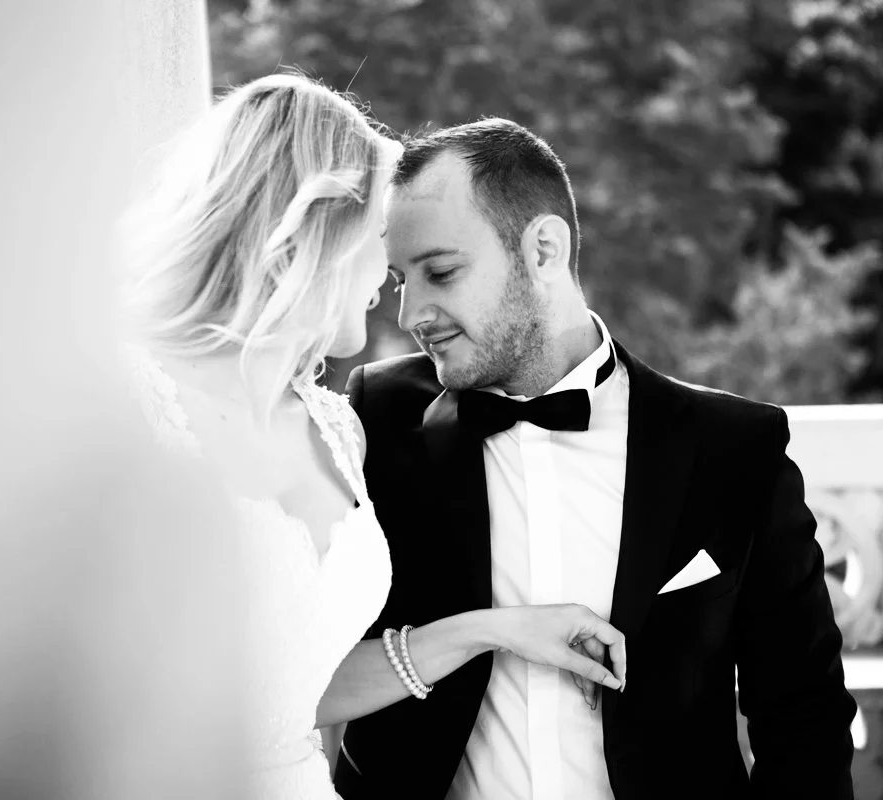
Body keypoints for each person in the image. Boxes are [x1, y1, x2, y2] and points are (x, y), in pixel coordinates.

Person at [118, 75, 630, 800]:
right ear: (318, 231)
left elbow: (300, 696)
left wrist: (496, 629)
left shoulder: (338, 430)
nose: (402, 298)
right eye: (383, 254)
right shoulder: (126, 404)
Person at [333, 116, 857, 800]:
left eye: (441, 272)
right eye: (402, 280)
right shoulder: (377, 415)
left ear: (544, 249)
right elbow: (299, 664)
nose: (412, 313)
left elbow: (802, 714)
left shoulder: (733, 449)